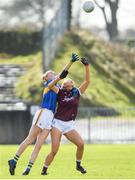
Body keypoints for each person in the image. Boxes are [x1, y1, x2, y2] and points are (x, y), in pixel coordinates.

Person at [8, 53, 79, 175]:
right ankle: (14, 160)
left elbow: (63, 73)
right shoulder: (48, 85)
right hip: (44, 113)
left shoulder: (57, 88)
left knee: (39, 145)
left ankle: (28, 169)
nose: (53, 74)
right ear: (46, 78)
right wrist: (60, 76)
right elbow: (60, 76)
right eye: (50, 74)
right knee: (30, 139)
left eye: (53, 74)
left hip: (50, 117)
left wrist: (70, 62)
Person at [40, 57, 90, 175]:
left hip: (69, 124)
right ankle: (44, 169)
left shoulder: (76, 92)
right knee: (55, 150)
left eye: (71, 82)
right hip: (57, 123)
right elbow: (50, 86)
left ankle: (78, 165)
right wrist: (60, 77)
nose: (70, 83)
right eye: (67, 82)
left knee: (81, 144)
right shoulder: (60, 91)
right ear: (63, 85)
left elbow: (87, 82)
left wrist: (87, 66)